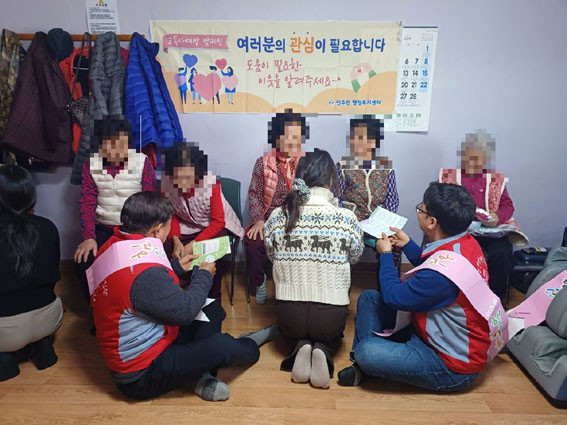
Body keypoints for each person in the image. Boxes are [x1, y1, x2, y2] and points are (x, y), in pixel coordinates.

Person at [90, 191, 277, 401]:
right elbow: (184, 312)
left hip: (152, 334)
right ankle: (247, 346)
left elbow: (136, 289)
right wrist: (204, 275)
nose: (169, 233)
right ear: (156, 230)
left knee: (212, 309)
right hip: (141, 374)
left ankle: (197, 373)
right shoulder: (146, 276)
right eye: (168, 228)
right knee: (221, 345)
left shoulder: (113, 245)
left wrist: (176, 267)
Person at [338, 183, 491, 392]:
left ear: (432, 222)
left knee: (366, 351)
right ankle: (373, 364)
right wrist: (408, 244)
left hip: (448, 363)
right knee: (369, 298)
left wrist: (385, 255)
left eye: (421, 208)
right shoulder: (464, 243)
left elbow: (394, 296)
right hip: (431, 328)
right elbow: (432, 266)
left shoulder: (439, 277)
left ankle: (366, 364)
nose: (418, 210)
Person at [265, 149, 363, 389]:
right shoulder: (346, 218)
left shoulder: (278, 215)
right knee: (333, 334)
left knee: (292, 331)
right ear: (330, 181)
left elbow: (271, 255)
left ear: (299, 177)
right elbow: (354, 256)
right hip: (330, 316)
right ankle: (323, 349)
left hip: (290, 316)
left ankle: (300, 346)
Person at [74, 116, 155, 302]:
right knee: (85, 260)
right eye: (110, 145)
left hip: (135, 230)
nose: (117, 151)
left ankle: (135, 306)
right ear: (100, 145)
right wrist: (89, 237)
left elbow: (150, 202)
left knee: (139, 265)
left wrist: (146, 235)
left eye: (122, 145)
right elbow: (87, 202)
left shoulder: (142, 163)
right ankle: (98, 308)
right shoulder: (91, 165)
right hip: (103, 228)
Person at [439, 130, 522, 303]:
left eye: (478, 160)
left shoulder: (494, 179)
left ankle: (495, 298)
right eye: (469, 158)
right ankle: (459, 298)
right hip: (460, 231)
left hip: (490, 231)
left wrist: (497, 217)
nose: (472, 163)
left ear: (486, 160)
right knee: (458, 251)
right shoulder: (450, 178)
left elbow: (507, 205)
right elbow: (440, 203)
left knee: (501, 253)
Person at [0, 165, 62, 381]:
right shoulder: (48, 227)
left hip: (5, 327)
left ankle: (5, 358)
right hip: (48, 318)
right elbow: (54, 272)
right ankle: (42, 344)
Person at [161, 142, 244, 302]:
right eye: (178, 178)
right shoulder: (167, 184)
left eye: (188, 178)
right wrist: (176, 240)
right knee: (164, 246)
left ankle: (212, 299)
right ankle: (171, 294)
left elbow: (218, 222)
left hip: (214, 225)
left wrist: (192, 244)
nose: (183, 183)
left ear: (197, 173)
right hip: (186, 226)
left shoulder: (211, 184)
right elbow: (171, 214)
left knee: (212, 251)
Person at [245, 110, 308, 304]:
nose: (292, 141)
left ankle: (297, 285)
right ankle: (259, 282)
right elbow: (254, 194)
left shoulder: (306, 162)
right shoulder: (263, 163)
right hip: (269, 218)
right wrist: (258, 220)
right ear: (276, 137)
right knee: (253, 242)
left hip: (298, 217)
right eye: (287, 136)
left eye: (296, 136)